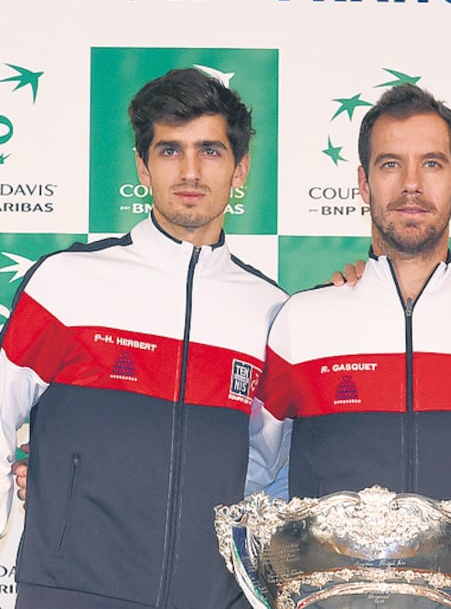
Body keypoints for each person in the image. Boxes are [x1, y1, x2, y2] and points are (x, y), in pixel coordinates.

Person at [0, 67, 286, 608]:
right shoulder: (66, 281)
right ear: (143, 165)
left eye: (211, 151)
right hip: (71, 594)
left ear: (240, 168)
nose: (191, 171)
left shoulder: (270, 310)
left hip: (212, 598)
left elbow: (269, 467)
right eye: (170, 150)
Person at [247, 83, 451, 503]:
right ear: (364, 183)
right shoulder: (302, 321)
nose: (411, 184)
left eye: (432, 164)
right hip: (333, 570)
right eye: (391, 164)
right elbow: (249, 471)